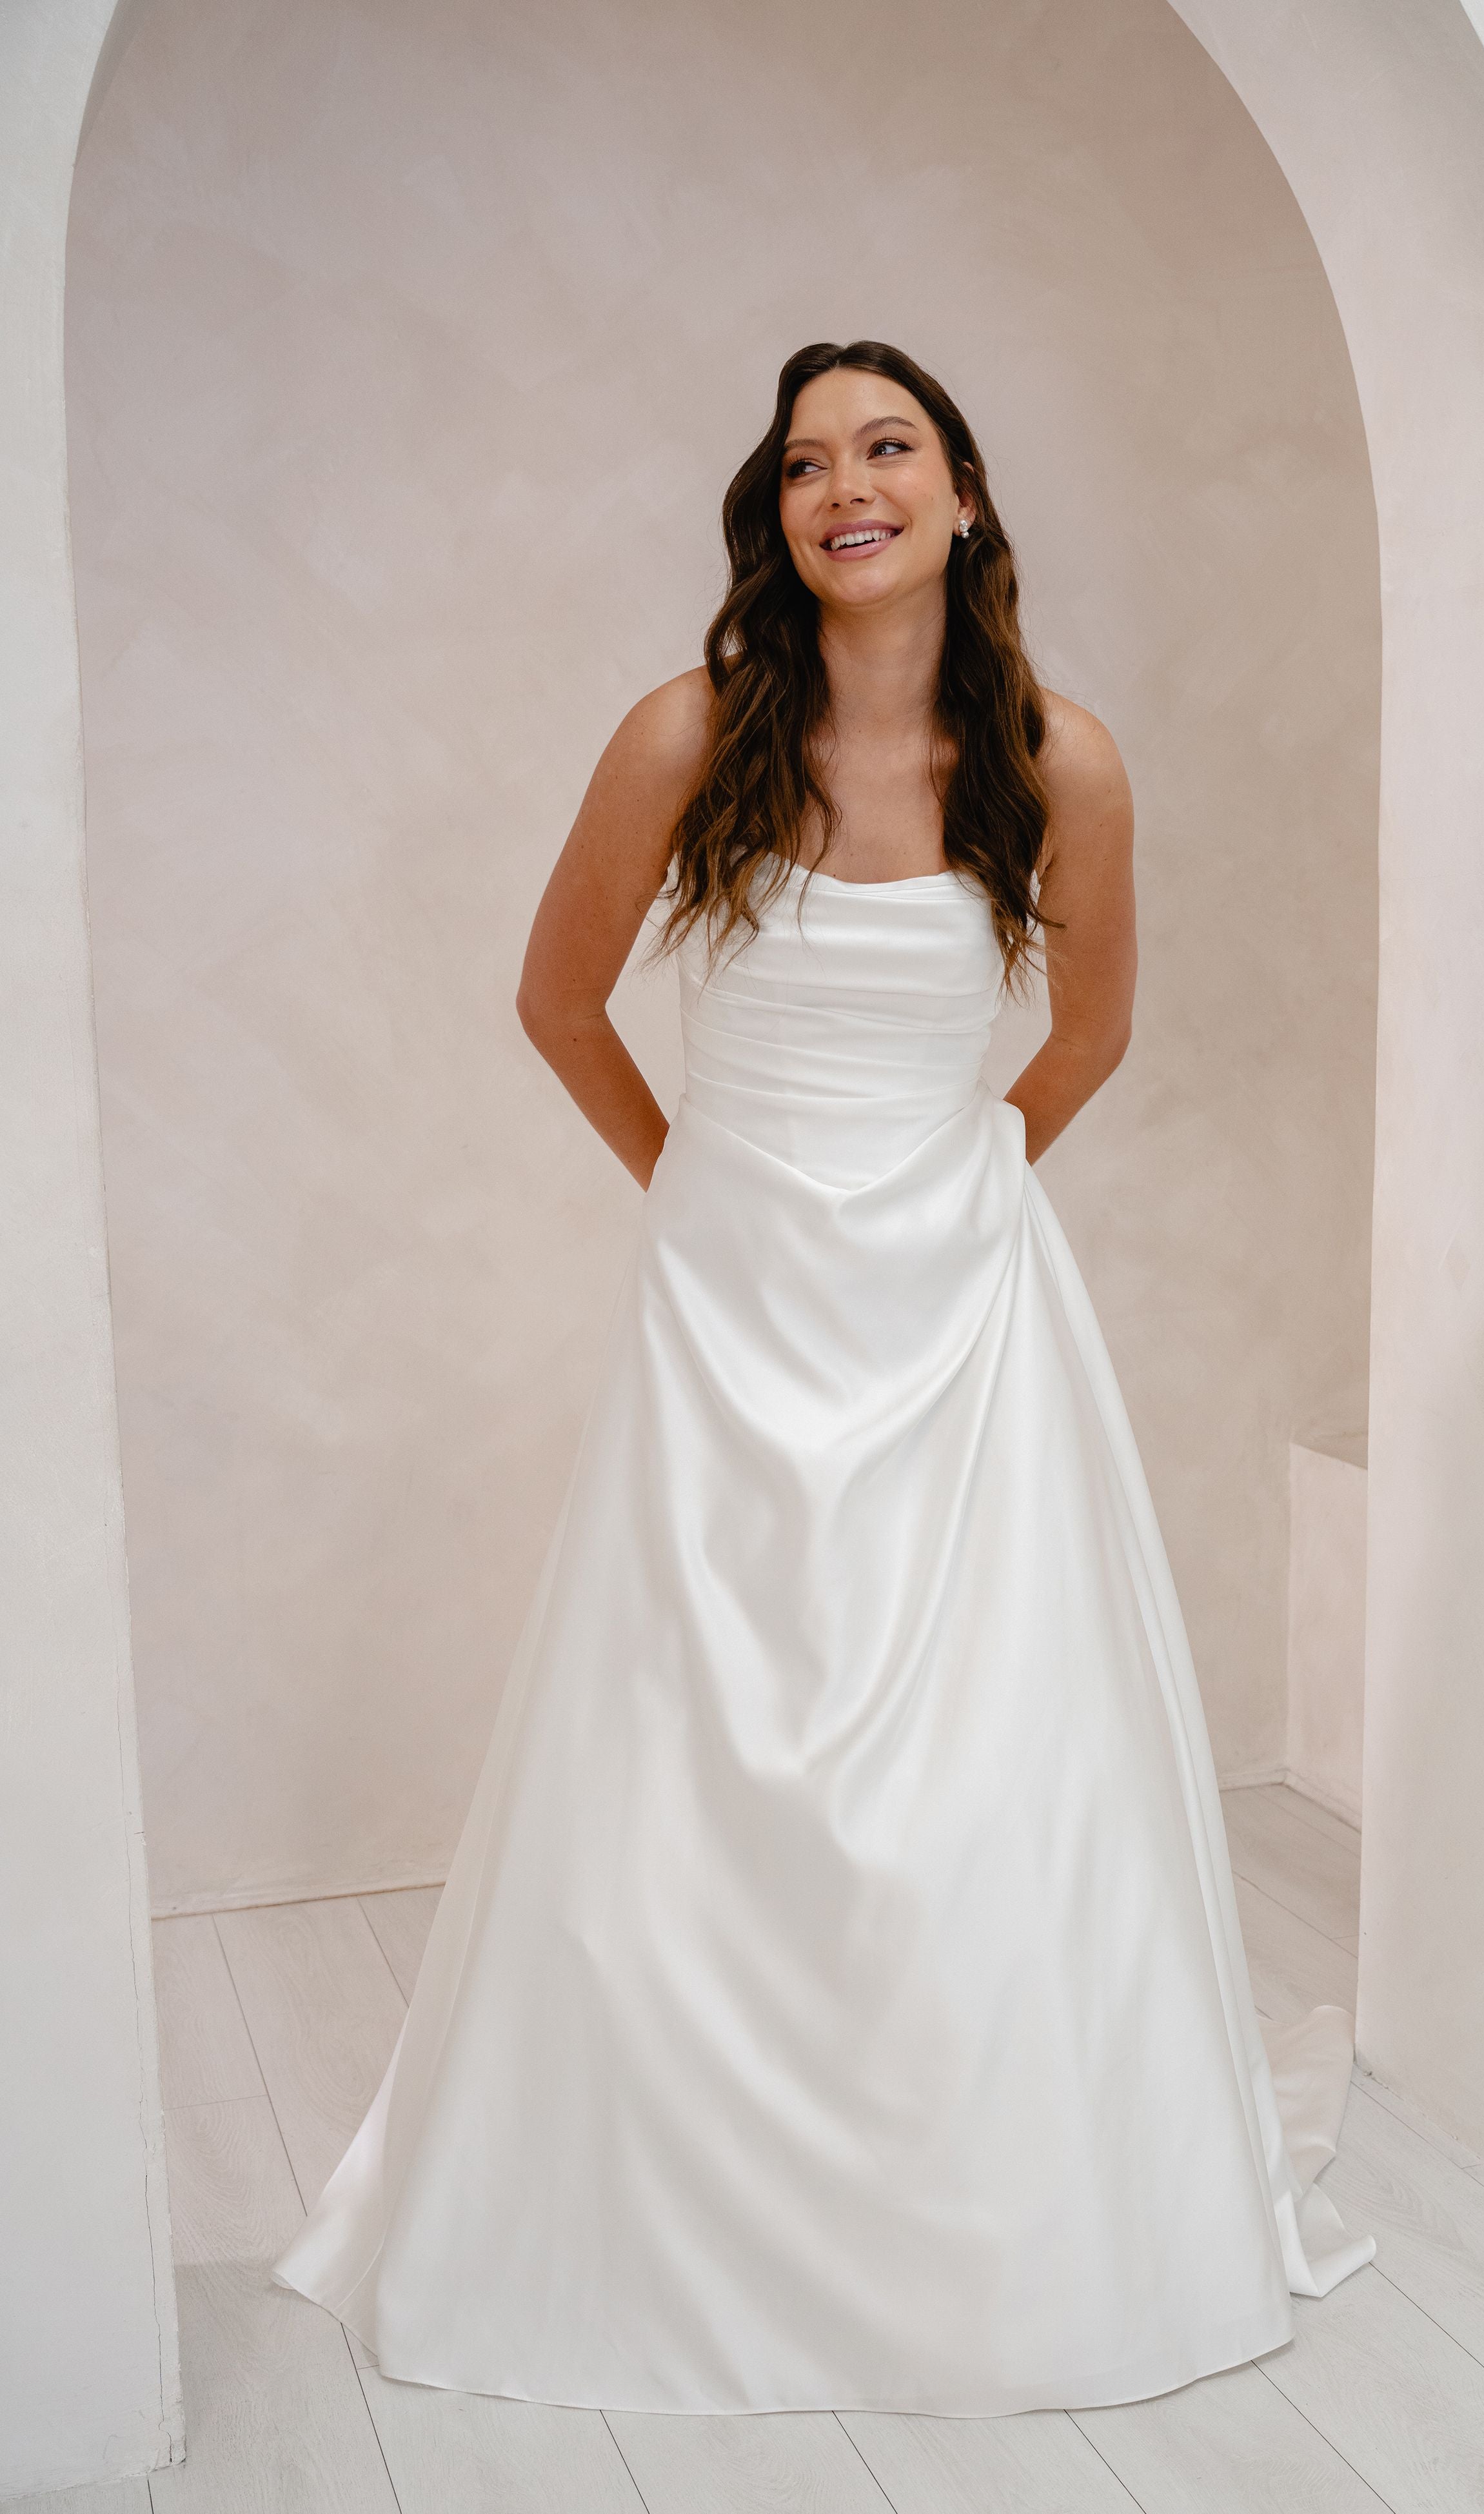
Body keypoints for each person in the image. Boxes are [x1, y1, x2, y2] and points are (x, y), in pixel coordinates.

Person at [272, 338, 1374, 2413]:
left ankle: (981, 2188)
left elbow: (1094, 1034)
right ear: (773, 514)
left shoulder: (1065, 756)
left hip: (963, 1305)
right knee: (705, 1723)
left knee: (984, 1740)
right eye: (804, 463)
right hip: (729, 1294)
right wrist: (705, 1192)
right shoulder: (689, 732)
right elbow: (556, 996)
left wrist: (953, 1198)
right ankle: (673, 2193)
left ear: (964, 493)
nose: (843, 485)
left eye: (887, 448)